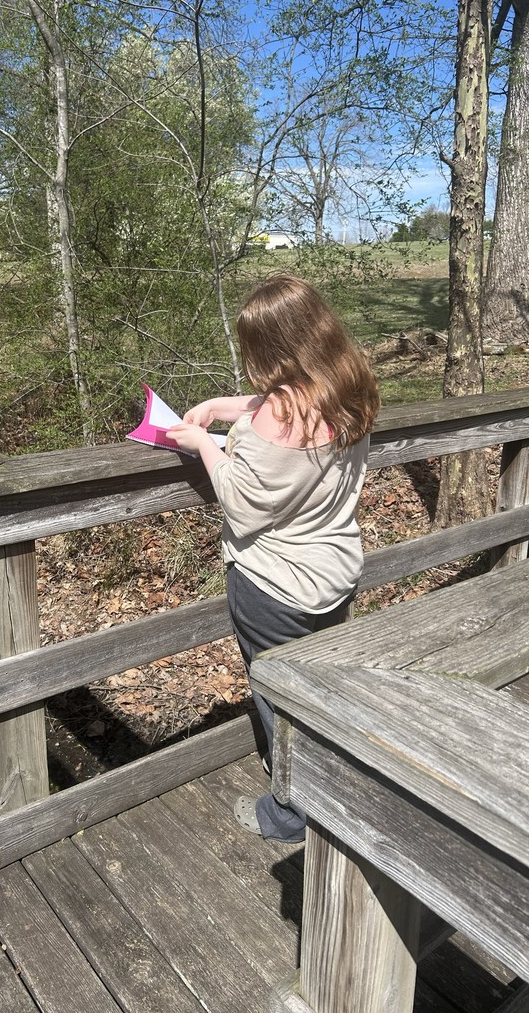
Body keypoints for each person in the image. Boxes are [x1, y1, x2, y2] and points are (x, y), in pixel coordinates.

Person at [166, 273, 380, 843]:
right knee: (318, 689)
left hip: (273, 586)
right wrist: (218, 405)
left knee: (279, 700)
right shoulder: (348, 388)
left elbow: (240, 508)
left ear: (272, 350)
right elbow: (276, 406)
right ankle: (327, 783)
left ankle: (289, 815)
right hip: (333, 572)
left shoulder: (274, 423)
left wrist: (206, 444)